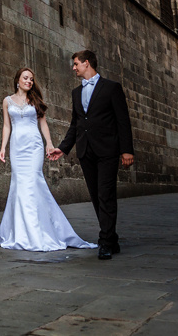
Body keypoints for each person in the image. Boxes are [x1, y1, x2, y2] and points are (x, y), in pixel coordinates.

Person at [0, 67, 97, 251]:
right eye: (26, 78)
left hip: (34, 146)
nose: (29, 81)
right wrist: (3, 147)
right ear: (18, 80)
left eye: (31, 79)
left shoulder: (35, 101)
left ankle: (39, 230)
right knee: (19, 185)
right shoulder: (7, 101)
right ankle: (20, 231)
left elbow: (43, 123)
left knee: (33, 182)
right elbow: (6, 126)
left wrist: (49, 143)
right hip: (17, 148)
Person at [47, 50, 134, 260]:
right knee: (96, 196)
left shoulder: (112, 88)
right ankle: (111, 238)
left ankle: (104, 241)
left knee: (106, 194)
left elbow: (123, 120)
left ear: (87, 63)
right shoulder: (76, 93)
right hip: (86, 152)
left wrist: (127, 150)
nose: (74, 68)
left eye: (76, 64)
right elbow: (75, 124)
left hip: (107, 151)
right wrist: (64, 147)